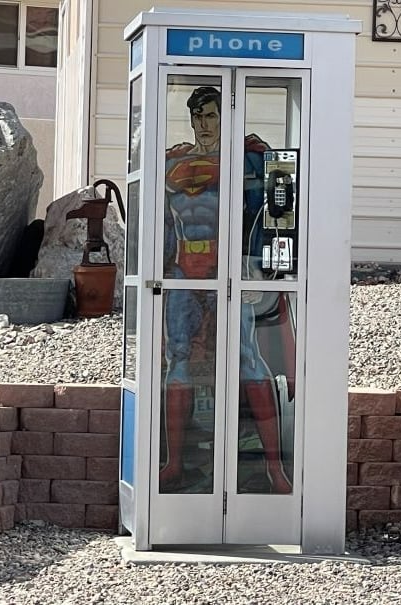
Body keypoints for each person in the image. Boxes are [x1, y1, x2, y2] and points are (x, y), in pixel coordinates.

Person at [160, 85, 292, 494]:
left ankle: (275, 468)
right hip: (183, 271)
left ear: (227, 117)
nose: (203, 125)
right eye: (197, 117)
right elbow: (161, 224)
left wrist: (263, 271)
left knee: (249, 360)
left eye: (211, 116)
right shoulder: (173, 161)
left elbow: (279, 214)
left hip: (231, 270)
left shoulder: (253, 158)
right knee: (177, 363)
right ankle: (174, 463)